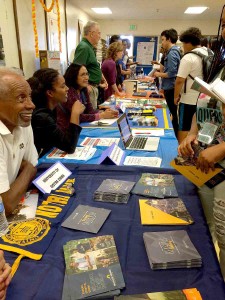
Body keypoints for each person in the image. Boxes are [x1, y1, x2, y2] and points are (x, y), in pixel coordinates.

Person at [178, 5, 225, 280]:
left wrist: (221, 148)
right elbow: (205, 103)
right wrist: (194, 134)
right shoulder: (218, 61)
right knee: (205, 229)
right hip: (207, 165)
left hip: (220, 162)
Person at [0, 67, 37, 215]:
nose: (31, 105)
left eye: (30, 96)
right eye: (21, 98)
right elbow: (5, 206)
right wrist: (27, 170)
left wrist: (29, 168)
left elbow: (33, 164)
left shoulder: (22, 122)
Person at [28, 68, 84, 158]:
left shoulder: (52, 109)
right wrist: (75, 113)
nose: (67, 89)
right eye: (62, 86)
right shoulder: (42, 117)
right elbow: (69, 146)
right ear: (50, 93)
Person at [57, 64, 118, 130]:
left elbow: (90, 110)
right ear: (74, 76)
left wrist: (104, 111)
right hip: (66, 130)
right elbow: (78, 116)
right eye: (83, 75)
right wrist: (101, 115)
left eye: (87, 74)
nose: (87, 78)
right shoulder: (69, 92)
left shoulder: (83, 89)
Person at [174, 27, 209, 143]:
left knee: (184, 127)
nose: (183, 46)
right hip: (205, 100)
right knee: (200, 130)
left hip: (189, 99)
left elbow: (179, 80)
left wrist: (175, 96)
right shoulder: (209, 53)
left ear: (189, 42)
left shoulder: (189, 57)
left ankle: (181, 154)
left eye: (184, 43)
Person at [73, 21, 108, 109]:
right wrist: (87, 85)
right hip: (88, 88)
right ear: (92, 34)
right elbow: (76, 69)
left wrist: (102, 78)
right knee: (91, 117)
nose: (100, 36)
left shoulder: (89, 47)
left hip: (94, 86)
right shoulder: (84, 47)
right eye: (99, 33)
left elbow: (92, 66)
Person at [154, 29, 181, 137]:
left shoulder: (172, 53)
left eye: (163, 40)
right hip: (169, 87)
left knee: (173, 114)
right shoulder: (173, 52)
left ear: (169, 39)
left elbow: (172, 73)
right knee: (173, 113)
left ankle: (173, 136)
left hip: (171, 88)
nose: (162, 43)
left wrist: (159, 74)